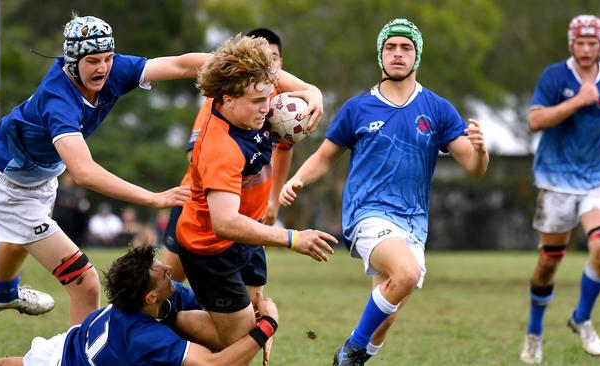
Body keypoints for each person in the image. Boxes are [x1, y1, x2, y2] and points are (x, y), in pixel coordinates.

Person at [0, 14, 212, 325]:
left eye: (107, 58)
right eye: (92, 61)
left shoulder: (114, 69)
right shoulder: (58, 99)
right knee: (85, 283)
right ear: (73, 61)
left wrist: (247, 67)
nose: (102, 67)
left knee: (19, 237)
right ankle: (81, 357)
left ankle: (2, 292)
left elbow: (183, 65)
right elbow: (85, 173)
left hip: (41, 177)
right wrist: (152, 198)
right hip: (10, 189)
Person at [279, 18, 489, 365]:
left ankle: (355, 356)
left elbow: (474, 167)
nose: (397, 53)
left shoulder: (437, 109)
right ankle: (350, 350)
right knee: (406, 274)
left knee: (385, 317)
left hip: (414, 220)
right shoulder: (357, 108)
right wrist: (297, 180)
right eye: (390, 47)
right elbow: (324, 157)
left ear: (416, 57)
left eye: (406, 48)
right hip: (368, 213)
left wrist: (481, 150)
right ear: (380, 55)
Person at [175, 34, 338, 364]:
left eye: (268, 97)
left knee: (250, 321)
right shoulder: (219, 147)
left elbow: (291, 84)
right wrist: (293, 238)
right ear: (228, 99)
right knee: (241, 342)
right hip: (210, 248)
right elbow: (224, 223)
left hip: (246, 235)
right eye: (257, 102)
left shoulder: (254, 86)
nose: (268, 108)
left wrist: (313, 94)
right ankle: (158, 317)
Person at [519, 14, 600, 364]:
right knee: (549, 264)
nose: (585, 49)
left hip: (598, 179)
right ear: (571, 44)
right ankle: (534, 332)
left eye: (592, 43)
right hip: (555, 180)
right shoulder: (554, 77)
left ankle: (581, 317)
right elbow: (535, 121)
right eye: (580, 43)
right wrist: (578, 100)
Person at [0, 246, 279, 366]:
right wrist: (268, 326)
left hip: (70, 345)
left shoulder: (160, 299)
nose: (170, 271)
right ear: (149, 297)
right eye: (163, 273)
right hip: (62, 361)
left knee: (3, 364)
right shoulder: (140, 335)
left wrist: (249, 316)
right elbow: (216, 364)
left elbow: (223, 318)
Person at [161, 28, 294, 283]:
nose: (271, 65)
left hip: (244, 215)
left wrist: (273, 200)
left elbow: (285, 151)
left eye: (275, 58)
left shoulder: (279, 107)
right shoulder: (223, 104)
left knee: (249, 300)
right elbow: (195, 155)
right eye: (267, 58)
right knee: (169, 283)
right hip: (198, 202)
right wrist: (232, 179)